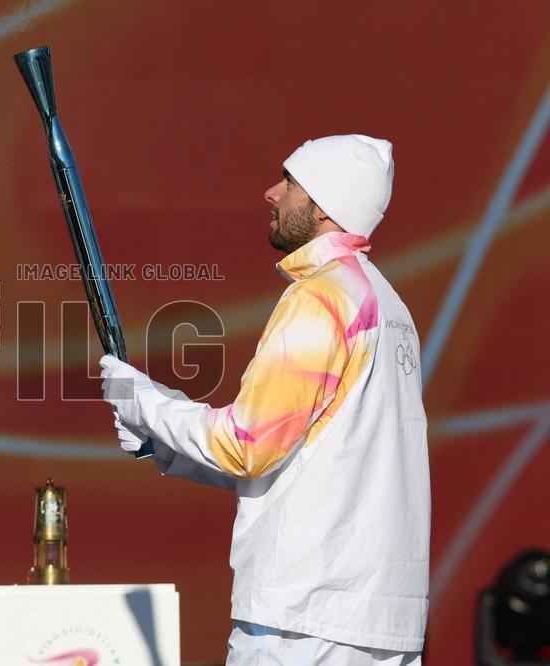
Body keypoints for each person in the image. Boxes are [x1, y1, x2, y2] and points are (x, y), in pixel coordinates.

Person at [100, 135, 430, 665]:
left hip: (302, 617)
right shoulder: (387, 305)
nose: (272, 193)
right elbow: (304, 459)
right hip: (379, 622)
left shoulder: (322, 297)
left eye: (291, 182)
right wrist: (160, 444)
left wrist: (142, 402)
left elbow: (247, 446)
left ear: (324, 205)